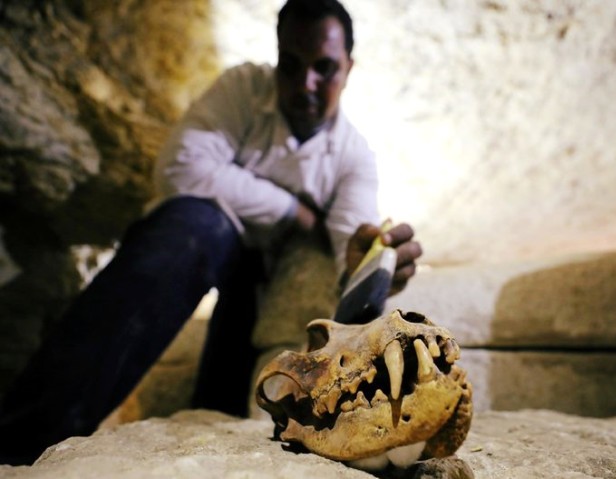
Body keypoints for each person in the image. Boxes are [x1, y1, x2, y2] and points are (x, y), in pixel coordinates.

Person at [0, 0, 422, 466]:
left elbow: (351, 239)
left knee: (235, 334)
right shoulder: (242, 88)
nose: (306, 84)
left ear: (348, 68)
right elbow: (180, 170)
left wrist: (373, 264)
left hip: (256, 280)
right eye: (292, 65)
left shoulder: (354, 157)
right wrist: (293, 211)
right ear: (276, 56)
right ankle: (24, 439)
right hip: (195, 245)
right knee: (194, 226)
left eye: (324, 69)